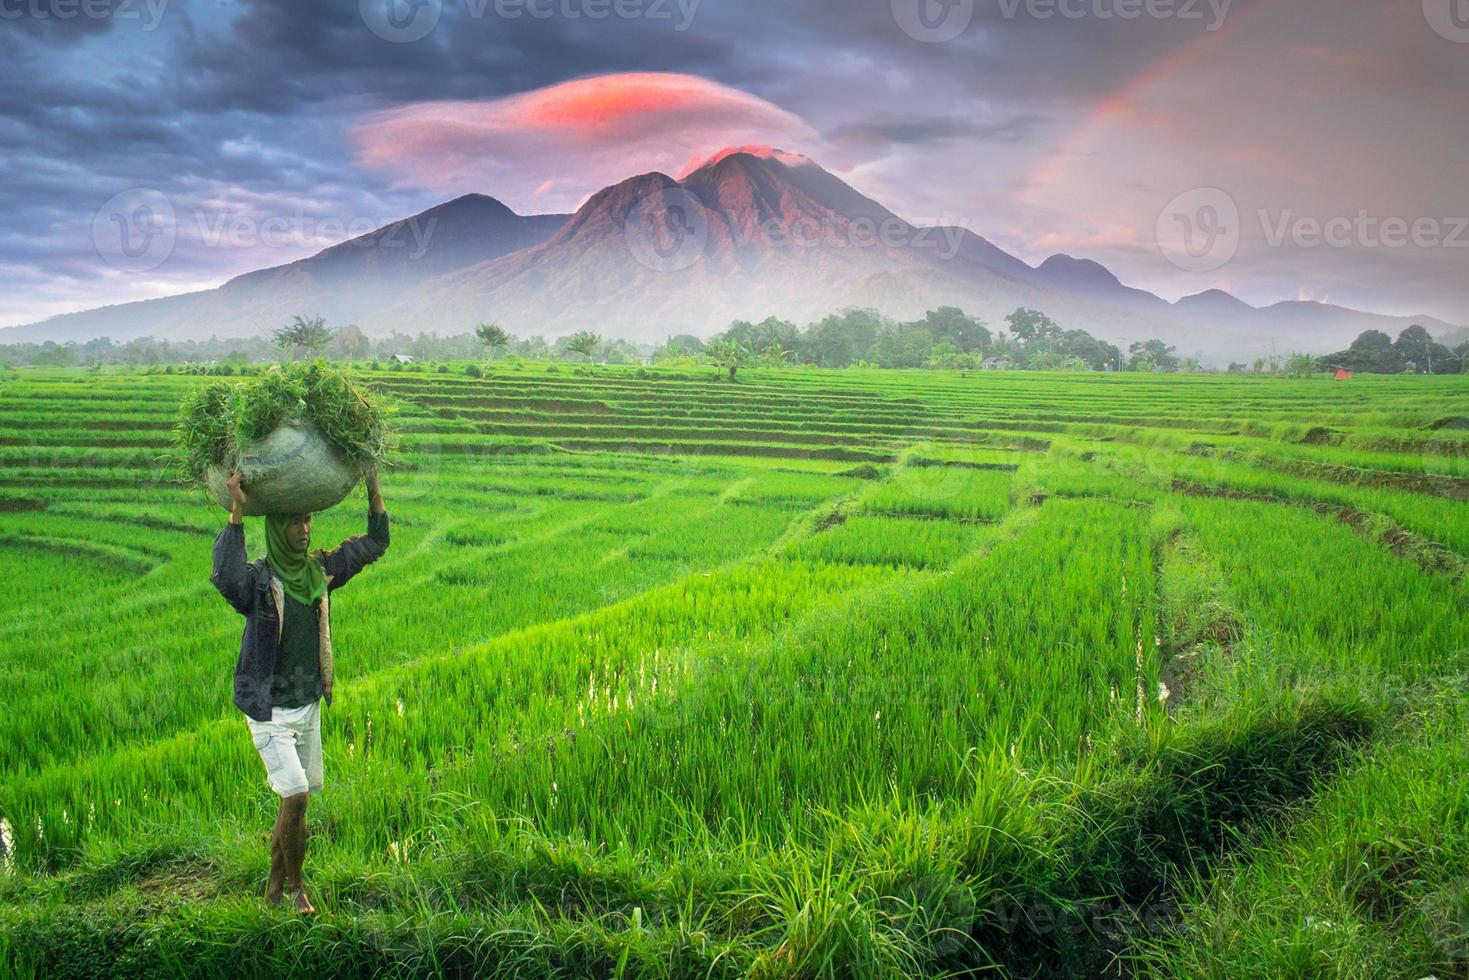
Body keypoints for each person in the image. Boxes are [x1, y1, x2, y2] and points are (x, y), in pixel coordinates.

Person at [209, 469, 389, 913]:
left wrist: (372, 486)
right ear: (276, 527)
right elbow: (225, 577)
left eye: (308, 520)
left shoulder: (319, 572)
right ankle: (295, 889)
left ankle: (272, 891)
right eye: (294, 521)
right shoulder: (259, 582)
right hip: (269, 711)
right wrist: (237, 510)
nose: (304, 529)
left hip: (308, 707)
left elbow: (374, 544)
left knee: (294, 804)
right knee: (297, 795)